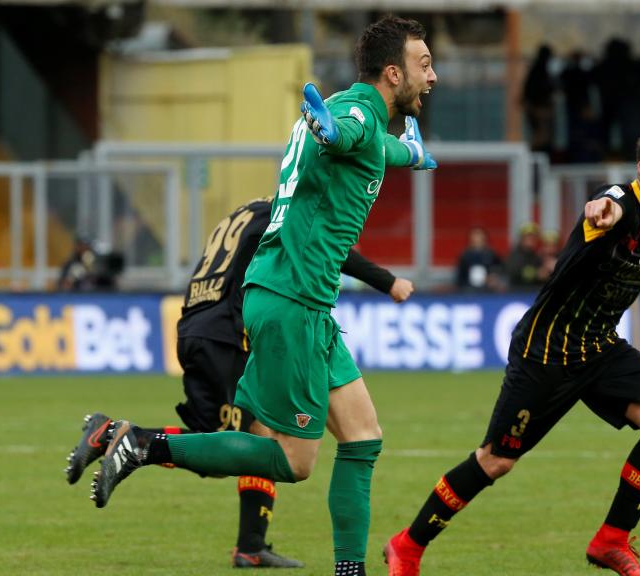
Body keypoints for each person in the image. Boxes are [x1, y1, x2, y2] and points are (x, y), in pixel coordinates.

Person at [87, 16, 438, 576]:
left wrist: (410, 153)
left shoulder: (365, 117)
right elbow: (347, 134)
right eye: (424, 65)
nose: (433, 75)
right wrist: (331, 131)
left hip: (303, 301)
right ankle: (142, 445)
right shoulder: (353, 117)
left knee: (364, 436)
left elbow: (370, 147)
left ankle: (351, 571)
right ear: (393, 74)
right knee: (292, 461)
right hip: (293, 299)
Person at [383, 121, 640, 576]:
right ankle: (407, 545)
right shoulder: (620, 203)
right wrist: (598, 212)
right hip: (544, 351)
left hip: (599, 348)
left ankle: (612, 540)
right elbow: (603, 206)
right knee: (497, 461)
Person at [64, 196, 415, 568]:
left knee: (249, 436)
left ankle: (250, 543)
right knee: (249, 446)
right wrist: (387, 281)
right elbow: (331, 248)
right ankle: (128, 438)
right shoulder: (285, 211)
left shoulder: (244, 212)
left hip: (195, 326)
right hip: (228, 333)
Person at [455, 227, 503, 291]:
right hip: (469, 291)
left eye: (479, 236)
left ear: (484, 238)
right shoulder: (464, 256)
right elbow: (460, 277)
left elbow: (498, 270)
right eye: (475, 236)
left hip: (488, 290)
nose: (477, 239)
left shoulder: (492, 255)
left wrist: (493, 277)